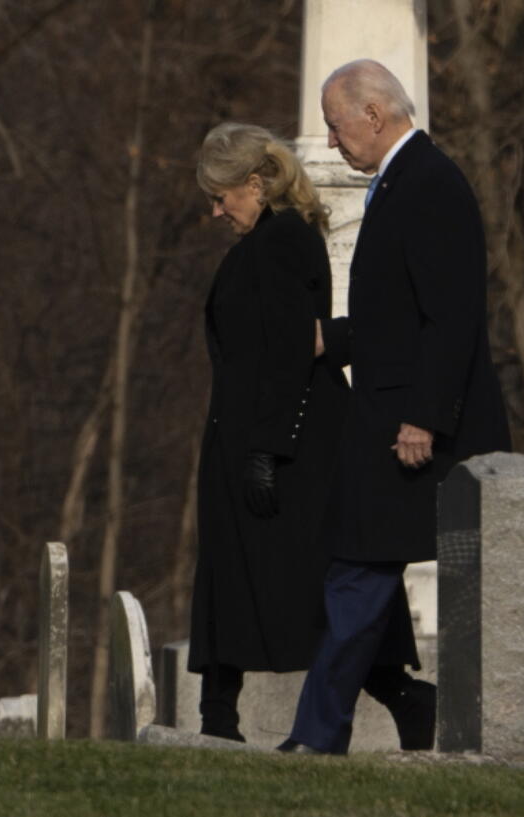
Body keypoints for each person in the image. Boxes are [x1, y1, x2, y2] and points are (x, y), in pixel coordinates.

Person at [277, 60, 511, 755]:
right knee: (356, 571)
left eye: (336, 123)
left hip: (416, 430)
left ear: (373, 116)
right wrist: (329, 338)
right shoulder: (404, 182)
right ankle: (377, 713)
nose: (331, 139)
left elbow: (452, 315)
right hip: (390, 420)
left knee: (359, 571)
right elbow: (398, 317)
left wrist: (425, 418)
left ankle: (320, 736)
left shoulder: (430, 184)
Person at [188, 122, 349, 742]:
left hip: (281, 449)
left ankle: (398, 691)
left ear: (255, 185)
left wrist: (265, 450)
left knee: (300, 583)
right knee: (230, 577)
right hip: (248, 440)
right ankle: (217, 717)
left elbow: (289, 354)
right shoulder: (261, 244)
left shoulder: (283, 243)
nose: (216, 209)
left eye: (222, 195)